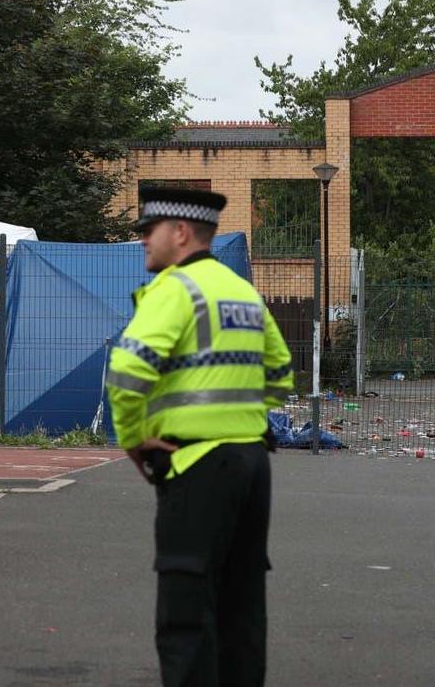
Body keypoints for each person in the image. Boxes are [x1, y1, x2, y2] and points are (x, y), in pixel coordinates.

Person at [106, 186, 294, 687]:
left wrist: (135, 438)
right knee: (242, 611)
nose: (144, 240)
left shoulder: (175, 288)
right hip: (254, 466)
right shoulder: (242, 292)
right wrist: (238, 418)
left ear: (181, 233)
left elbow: (126, 373)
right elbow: (280, 372)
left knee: (186, 614)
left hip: (195, 466)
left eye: (150, 230)